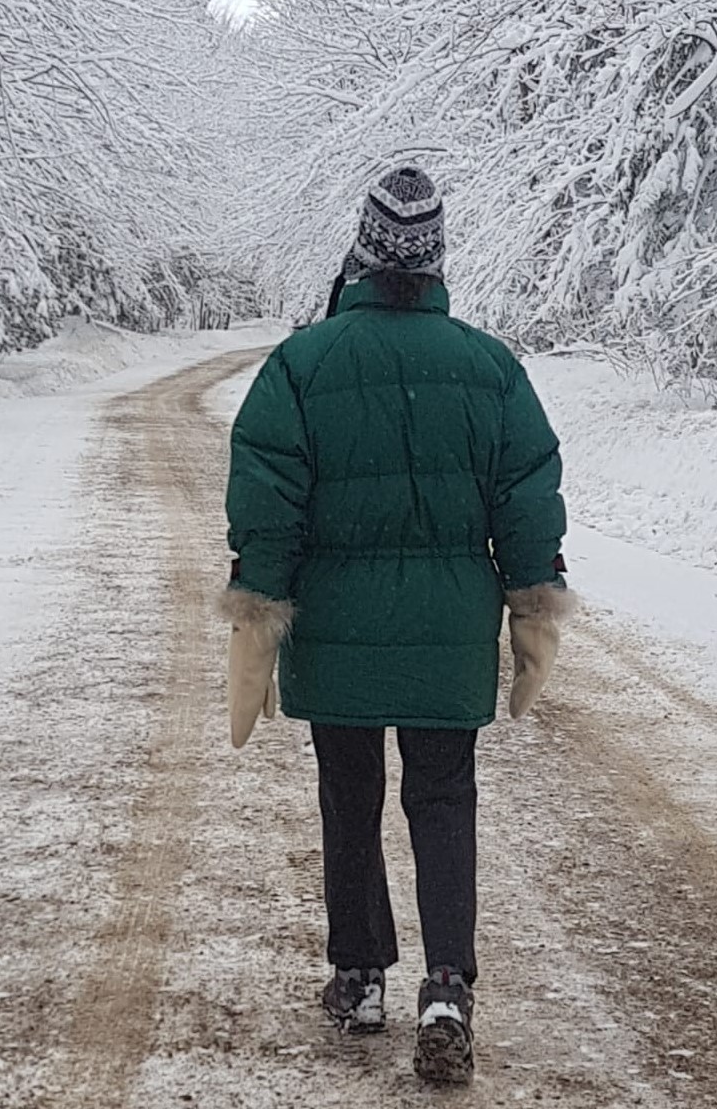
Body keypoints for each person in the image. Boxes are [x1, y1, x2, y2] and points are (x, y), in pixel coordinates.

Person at [220, 166, 571, 1084]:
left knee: (350, 793)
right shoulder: (490, 366)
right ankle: (448, 981)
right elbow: (526, 495)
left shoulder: (302, 362)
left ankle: (360, 973)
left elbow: (267, 500)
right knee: (443, 799)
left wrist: (256, 608)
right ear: (435, 258)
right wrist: (534, 599)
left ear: (364, 254)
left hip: (334, 621)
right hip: (450, 628)